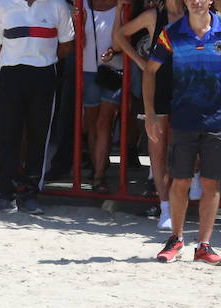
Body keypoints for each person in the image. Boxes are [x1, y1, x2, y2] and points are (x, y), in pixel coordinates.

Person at [145, 0, 221, 264]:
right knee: (179, 180)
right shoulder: (171, 32)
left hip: (217, 120)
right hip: (183, 119)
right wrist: (150, 113)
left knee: (211, 183)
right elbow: (150, 70)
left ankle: (204, 245)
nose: (196, 1)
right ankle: (176, 239)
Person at [0, 0, 74, 212]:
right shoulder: (3, 5)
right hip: (10, 74)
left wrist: (43, 60)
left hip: (43, 75)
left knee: (38, 135)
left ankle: (30, 193)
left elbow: (67, 44)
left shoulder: (57, 5)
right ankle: (4, 193)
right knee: (6, 134)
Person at [119, 0, 184, 229]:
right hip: (157, 88)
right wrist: (140, 61)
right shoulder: (153, 16)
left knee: (181, 150)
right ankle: (165, 207)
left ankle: (175, 204)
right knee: (157, 151)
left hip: (186, 90)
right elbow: (120, 35)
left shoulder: (194, 12)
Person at [81, 0, 124, 194]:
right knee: (91, 124)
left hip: (114, 71)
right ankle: (99, 164)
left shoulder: (123, 6)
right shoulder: (81, 5)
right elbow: (76, 41)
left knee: (104, 123)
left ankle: (99, 176)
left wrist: (115, 51)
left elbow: (126, 38)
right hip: (88, 71)